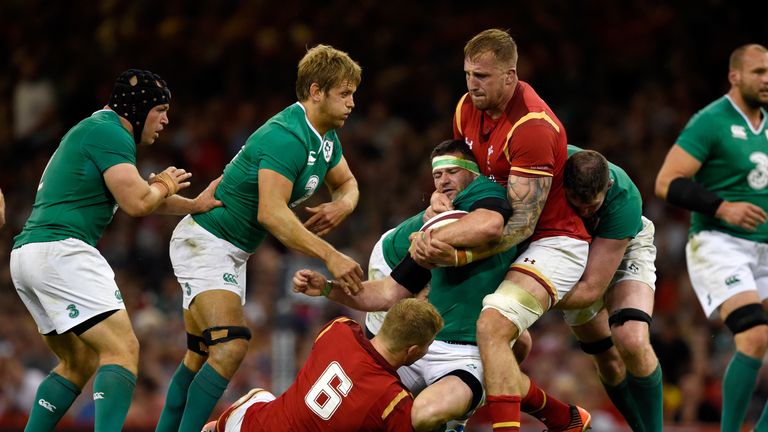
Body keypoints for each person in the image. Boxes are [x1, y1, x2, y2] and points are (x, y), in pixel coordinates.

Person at [306, 139, 589, 432]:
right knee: (363, 403)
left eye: (452, 171)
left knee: (425, 413)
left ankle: (461, 420)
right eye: (437, 175)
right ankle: (483, 420)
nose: (442, 182)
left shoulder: (487, 202)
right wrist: (327, 288)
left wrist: (448, 248)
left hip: (465, 357)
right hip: (421, 340)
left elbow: (490, 223)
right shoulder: (437, 227)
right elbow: (387, 293)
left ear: (474, 173)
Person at [155, 44, 365, 432]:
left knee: (199, 356)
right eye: (345, 93)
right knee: (231, 345)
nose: (352, 102)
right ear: (316, 92)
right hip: (206, 241)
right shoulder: (286, 137)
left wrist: (343, 205)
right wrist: (329, 255)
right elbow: (271, 213)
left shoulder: (325, 138)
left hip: (230, 250)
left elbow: (349, 183)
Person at [9, 69, 222, 432]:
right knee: (123, 350)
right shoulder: (110, 132)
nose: (166, 119)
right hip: (63, 251)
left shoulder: (95, 131)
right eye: (160, 110)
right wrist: (163, 183)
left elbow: (136, 196)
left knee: (77, 363)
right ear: (138, 109)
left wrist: (192, 204)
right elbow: (139, 203)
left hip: (29, 255)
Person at [418, 29, 591, 431]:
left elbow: (523, 221)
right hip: (502, 233)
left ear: (511, 76)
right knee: (509, 341)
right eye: (468, 74)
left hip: (552, 240)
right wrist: (441, 202)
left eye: (482, 76)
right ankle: (560, 417)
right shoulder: (466, 109)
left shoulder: (532, 126)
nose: (472, 85)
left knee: (492, 327)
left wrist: (460, 252)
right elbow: (465, 179)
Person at [655, 43, 768, 431]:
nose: (767, 79)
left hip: (764, 247)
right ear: (735, 76)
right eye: (758, 72)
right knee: (754, 335)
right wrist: (722, 207)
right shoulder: (711, 121)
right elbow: (667, 182)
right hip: (720, 243)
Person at [200, 298, 444, 432]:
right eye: (427, 345)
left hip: (248, 426)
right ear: (412, 350)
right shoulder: (395, 400)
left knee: (262, 396)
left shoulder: (339, 328)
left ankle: (215, 428)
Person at [554, 146, 663, 431]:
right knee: (609, 362)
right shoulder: (545, 164)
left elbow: (590, 289)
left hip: (625, 244)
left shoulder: (624, 200)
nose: (585, 210)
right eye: (577, 203)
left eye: (593, 205)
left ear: (608, 186)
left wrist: (530, 297)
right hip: (573, 251)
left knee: (632, 339)